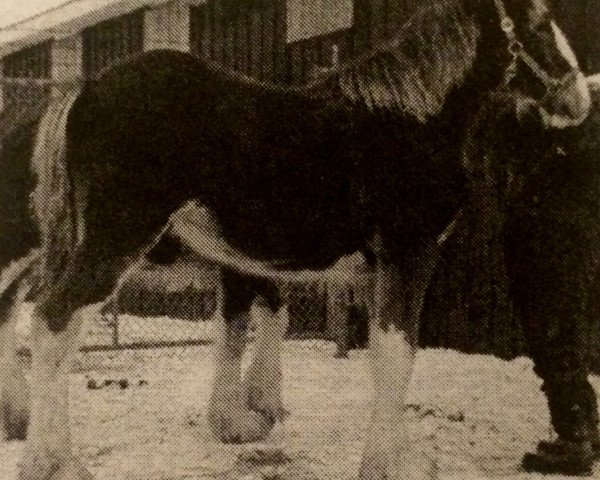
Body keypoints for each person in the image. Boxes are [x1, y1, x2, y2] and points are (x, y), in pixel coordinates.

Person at [504, 3, 600, 471]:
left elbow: (563, 115)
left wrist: (528, 117)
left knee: (552, 324)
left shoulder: (570, 119)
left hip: (555, 230)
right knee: (567, 325)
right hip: (573, 227)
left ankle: (575, 437)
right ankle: (586, 426)